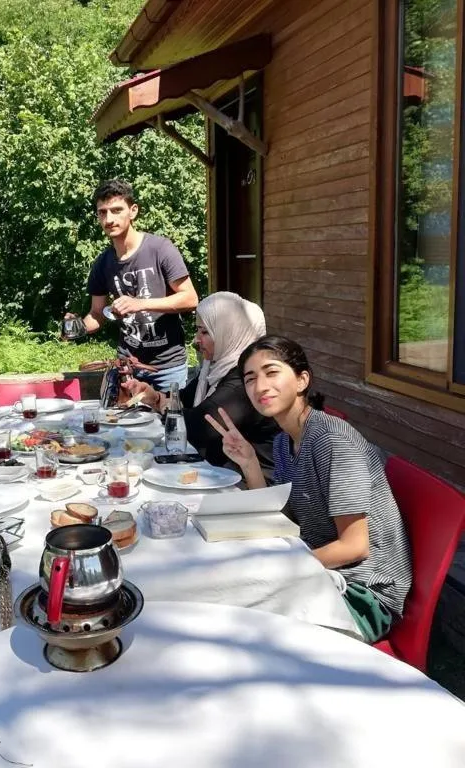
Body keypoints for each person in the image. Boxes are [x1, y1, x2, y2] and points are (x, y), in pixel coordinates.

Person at [206, 335, 412, 642]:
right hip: (318, 573)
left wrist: (278, 569)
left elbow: (356, 546)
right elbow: (288, 516)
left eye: (271, 372)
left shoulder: (332, 440)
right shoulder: (283, 441)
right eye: (250, 379)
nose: (260, 386)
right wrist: (249, 462)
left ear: (302, 380)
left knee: (236, 628)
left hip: (363, 596)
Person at [67, 179, 198, 391]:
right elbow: (97, 314)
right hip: (128, 367)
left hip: (167, 368)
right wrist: (76, 328)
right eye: (102, 212)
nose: (109, 219)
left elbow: (190, 298)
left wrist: (140, 303)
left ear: (133, 211)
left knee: (170, 422)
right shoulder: (103, 263)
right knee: (125, 424)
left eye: (116, 210)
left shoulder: (160, 249)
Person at [121, 292, 278, 469]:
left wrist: (167, 407)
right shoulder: (214, 369)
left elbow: (202, 427)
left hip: (251, 485)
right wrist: (155, 397)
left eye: (204, 332)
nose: (196, 340)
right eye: (197, 330)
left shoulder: (244, 379)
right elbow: (185, 398)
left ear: (228, 333)